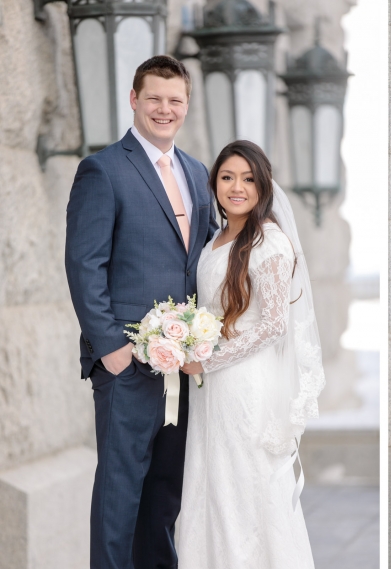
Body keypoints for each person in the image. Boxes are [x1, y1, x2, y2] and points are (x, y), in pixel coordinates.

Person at [65, 56, 218, 568]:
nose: (164, 109)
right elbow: (84, 264)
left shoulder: (198, 173)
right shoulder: (103, 169)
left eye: (175, 100)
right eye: (154, 98)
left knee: (165, 496)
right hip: (127, 367)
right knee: (119, 495)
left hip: (184, 366)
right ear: (134, 99)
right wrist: (112, 350)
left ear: (187, 106)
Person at [176, 140, 324, 567]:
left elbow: (274, 324)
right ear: (215, 184)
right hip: (212, 390)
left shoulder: (270, 241)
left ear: (263, 185)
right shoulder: (218, 238)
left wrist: (207, 358)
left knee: (244, 489)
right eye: (227, 177)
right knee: (213, 486)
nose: (236, 187)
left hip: (244, 385)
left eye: (247, 178)